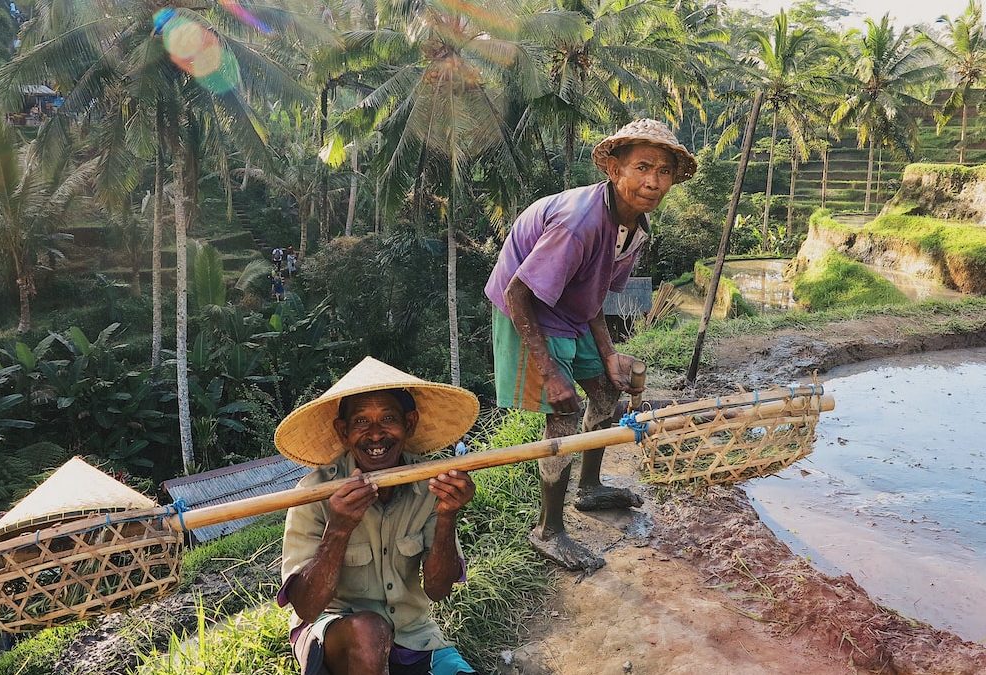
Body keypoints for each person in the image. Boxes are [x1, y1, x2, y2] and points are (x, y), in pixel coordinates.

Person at [484, 119, 697, 571]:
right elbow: (518, 293)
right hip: (530, 310)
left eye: (663, 171)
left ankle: (590, 487)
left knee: (605, 391)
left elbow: (595, 293)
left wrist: (608, 356)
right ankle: (548, 530)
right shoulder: (580, 222)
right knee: (561, 414)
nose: (653, 181)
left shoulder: (635, 228)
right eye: (642, 167)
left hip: (569, 307)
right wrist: (551, 371)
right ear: (614, 169)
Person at [275, 356, 480, 675]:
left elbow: (438, 590)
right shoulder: (314, 493)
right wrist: (339, 529)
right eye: (360, 422)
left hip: (414, 636)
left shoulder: (430, 483)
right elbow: (307, 606)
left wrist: (447, 515)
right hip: (336, 633)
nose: (375, 435)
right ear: (343, 430)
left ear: (408, 423)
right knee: (369, 633)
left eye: (388, 419)